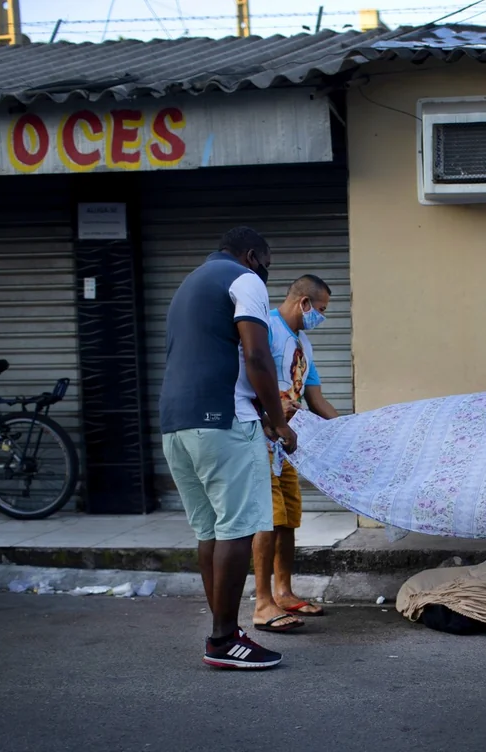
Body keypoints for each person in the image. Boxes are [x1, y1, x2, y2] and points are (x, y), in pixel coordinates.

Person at [159, 226, 297, 669]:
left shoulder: (190, 284)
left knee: (210, 532)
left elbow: (213, 358)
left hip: (176, 426)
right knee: (237, 529)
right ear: (253, 256)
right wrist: (278, 422)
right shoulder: (244, 279)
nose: (267, 277)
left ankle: (225, 633)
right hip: (223, 423)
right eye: (268, 267)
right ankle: (223, 640)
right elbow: (256, 355)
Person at [251, 275, 341, 632]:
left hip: (286, 442)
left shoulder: (302, 342)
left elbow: (315, 399)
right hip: (259, 438)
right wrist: (266, 421)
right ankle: (263, 603)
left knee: (287, 519)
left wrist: (350, 430)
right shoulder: (266, 330)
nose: (322, 317)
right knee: (267, 520)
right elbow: (248, 375)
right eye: (320, 310)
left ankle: (284, 592)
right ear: (303, 302)